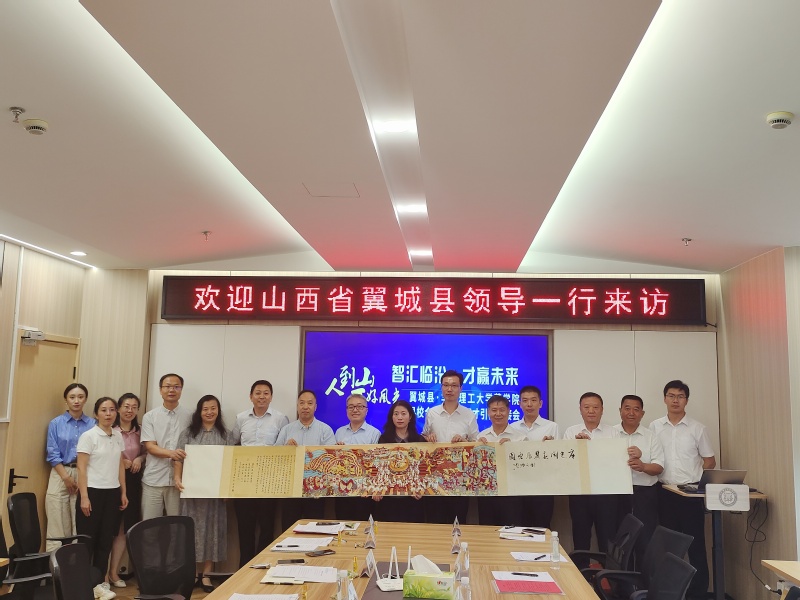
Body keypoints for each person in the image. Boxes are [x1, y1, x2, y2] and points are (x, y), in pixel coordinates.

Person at [650, 380, 715, 600]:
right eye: (671, 395)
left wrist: (698, 483)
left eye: (680, 396)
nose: (675, 400)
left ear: (686, 400)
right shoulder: (655, 427)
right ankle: (668, 593)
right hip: (664, 491)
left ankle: (697, 594)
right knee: (668, 546)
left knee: (696, 546)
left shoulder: (698, 428)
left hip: (690, 494)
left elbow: (709, 461)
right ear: (664, 399)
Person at [174, 395, 233, 593]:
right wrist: (177, 478)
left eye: (213, 408)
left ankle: (207, 575)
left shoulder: (226, 435)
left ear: (218, 410)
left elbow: (231, 463)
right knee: (191, 531)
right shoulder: (188, 433)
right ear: (199, 412)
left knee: (212, 532)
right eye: (205, 409)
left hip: (215, 494)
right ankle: (191, 574)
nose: (209, 412)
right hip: (191, 492)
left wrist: (227, 488)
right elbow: (178, 459)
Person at [231, 380, 289, 567]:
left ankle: (263, 567)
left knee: (267, 527)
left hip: (269, 481)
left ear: (271, 397)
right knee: (245, 528)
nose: (262, 397)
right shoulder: (241, 418)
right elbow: (233, 444)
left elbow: (284, 449)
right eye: (258, 393)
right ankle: (244, 569)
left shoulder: (280, 419)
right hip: (244, 481)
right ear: (251, 396)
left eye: (266, 393)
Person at [76, 397, 128, 600]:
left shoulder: (117, 435)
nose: (108, 414)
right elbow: (81, 468)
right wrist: (84, 497)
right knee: (87, 541)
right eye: (104, 410)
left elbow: (120, 465)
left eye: (112, 410)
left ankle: (99, 584)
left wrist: (123, 492)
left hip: (112, 492)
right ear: (96, 413)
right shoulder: (88, 436)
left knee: (106, 540)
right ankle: (83, 585)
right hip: (92, 492)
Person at [563, 392, 618, 569]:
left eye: (595, 407)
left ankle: (608, 578)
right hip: (580, 492)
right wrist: (577, 447)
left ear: (602, 410)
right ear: (580, 410)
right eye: (586, 407)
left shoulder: (613, 432)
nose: (591, 411)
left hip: (606, 493)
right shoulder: (571, 432)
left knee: (607, 537)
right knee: (580, 537)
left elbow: (616, 461)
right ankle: (582, 576)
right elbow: (566, 463)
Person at [612, 394, 664, 567]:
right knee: (620, 541)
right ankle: (620, 581)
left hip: (645, 495)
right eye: (627, 408)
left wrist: (643, 466)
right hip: (617, 494)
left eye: (636, 409)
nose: (631, 413)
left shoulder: (651, 436)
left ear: (642, 413)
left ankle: (642, 581)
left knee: (645, 540)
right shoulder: (610, 434)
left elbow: (659, 467)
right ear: (620, 411)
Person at [422, 370, 478, 524]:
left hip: (459, 479)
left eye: (454, 385)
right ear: (441, 388)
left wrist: (464, 441)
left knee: (458, 523)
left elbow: (476, 443)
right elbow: (423, 437)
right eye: (446, 385)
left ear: (461, 388)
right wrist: (428, 438)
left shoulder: (469, 414)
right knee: (436, 522)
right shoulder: (432, 413)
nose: (449, 389)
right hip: (435, 478)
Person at [45, 383, 96, 551]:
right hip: (60, 471)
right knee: (56, 519)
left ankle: (75, 563)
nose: (76, 401)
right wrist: (66, 477)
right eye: (72, 397)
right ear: (66, 400)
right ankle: (54, 565)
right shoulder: (56, 423)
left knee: (79, 520)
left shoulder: (93, 424)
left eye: (80, 397)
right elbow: (52, 453)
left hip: (85, 472)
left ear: (85, 399)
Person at [277, 390, 335, 529]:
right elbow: (276, 456)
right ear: (297, 406)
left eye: (309, 403)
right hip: (291, 489)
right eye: (302, 403)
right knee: (289, 528)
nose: (305, 407)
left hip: (316, 490)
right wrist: (285, 449)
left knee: (314, 529)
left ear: (315, 407)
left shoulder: (325, 430)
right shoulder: (287, 430)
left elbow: (331, 460)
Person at [140, 373, 192, 519]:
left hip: (179, 482)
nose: (171, 390)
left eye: (176, 387)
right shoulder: (150, 417)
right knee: (150, 525)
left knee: (177, 526)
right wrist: (172, 453)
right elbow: (150, 446)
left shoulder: (190, 416)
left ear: (181, 390)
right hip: (153, 479)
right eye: (167, 386)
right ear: (160, 390)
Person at [108, 393, 146, 587]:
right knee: (109, 527)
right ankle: (101, 574)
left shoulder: (141, 431)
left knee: (125, 528)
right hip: (111, 481)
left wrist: (140, 458)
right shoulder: (110, 430)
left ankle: (114, 573)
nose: (130, 410)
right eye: (126, 406)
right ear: (119, 408)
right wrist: (119, 461)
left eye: (134, 407)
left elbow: (147, 451)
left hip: (133, 481)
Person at [510, 385, 559, 528]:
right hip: (518, 485)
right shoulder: (512, 428)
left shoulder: (551, 427)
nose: (529, 404)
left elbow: (558, 458)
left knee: (541, 526)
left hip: (543, 485)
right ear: (519, 404)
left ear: (540, 403)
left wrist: (551, 447)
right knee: (519, 526)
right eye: (525, 400)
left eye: (533, 400)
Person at [372, 399, 425, 523]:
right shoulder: (384, 439)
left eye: (403, 413)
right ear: (392, 417)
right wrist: (377, 488)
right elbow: (379, 467)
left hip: (413, 498)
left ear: (410, 417)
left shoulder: (419, 440)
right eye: (396, 414)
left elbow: (424, 469)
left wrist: (421, 488)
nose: (399, 417)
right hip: (388, 498)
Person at [477, 395, 525, 526]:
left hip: (512, 493)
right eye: (494, 410)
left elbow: (525, 468)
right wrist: (477, 448)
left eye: (502, 410)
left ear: (508, 411)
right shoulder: (481, 436)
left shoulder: (520, 437)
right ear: (488, 412)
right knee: (487, 529)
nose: (498, 414)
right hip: (487, 493)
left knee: (511, 530)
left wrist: (512, 448)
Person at [334, 394, 380, 521]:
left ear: (366, 410)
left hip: (364, 491)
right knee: (343, 525)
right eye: (351, 407)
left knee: (362, 527)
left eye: (359, 406)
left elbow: (376, 464)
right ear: (346, 410)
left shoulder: (374, 433)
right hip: (342, 490)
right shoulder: (339, 432)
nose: (355, 410)